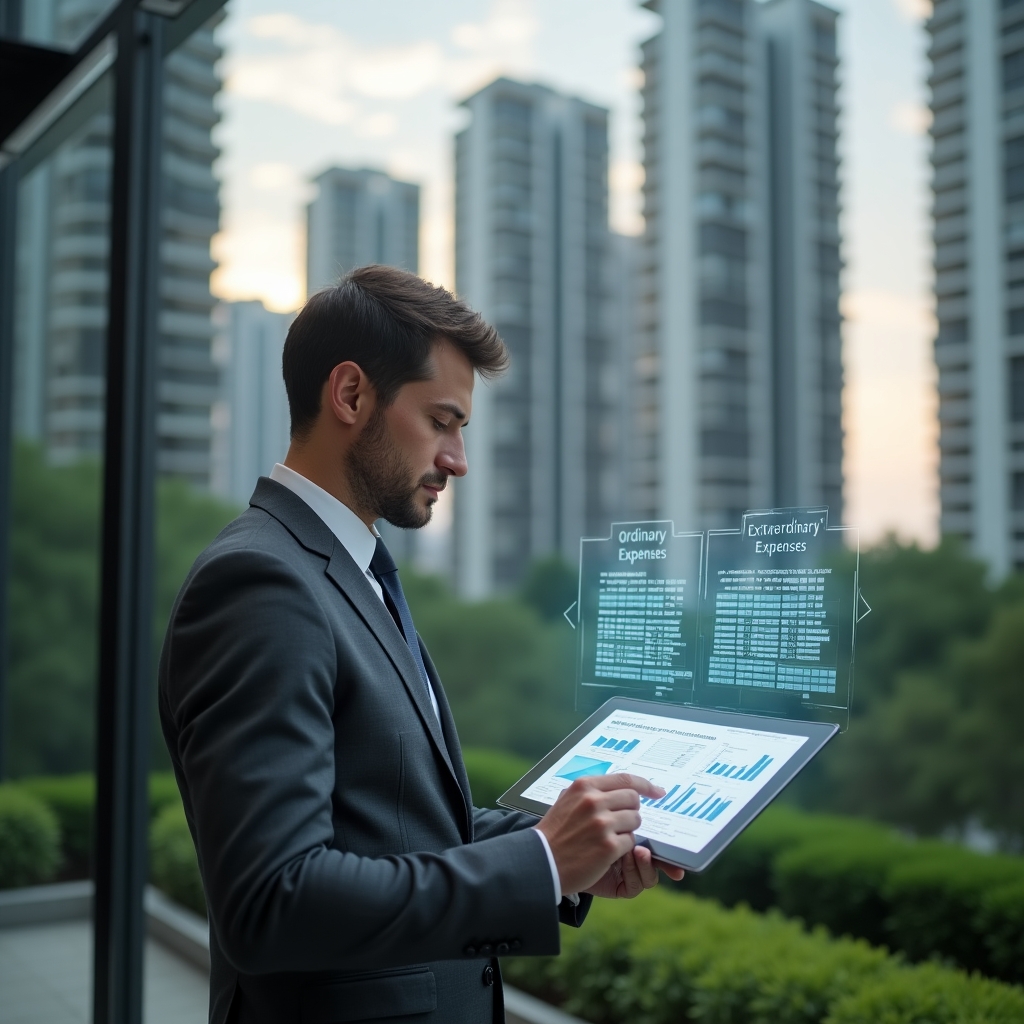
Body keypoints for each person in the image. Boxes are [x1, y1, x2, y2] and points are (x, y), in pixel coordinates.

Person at [159, 265, 683, 1024]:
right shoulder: (260, 583)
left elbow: (398, 825)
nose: (457, 459)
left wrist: (567, 851)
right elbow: (273, 900)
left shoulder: (353, 569)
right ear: (350, 395)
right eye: (442, 421)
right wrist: (537, 863)